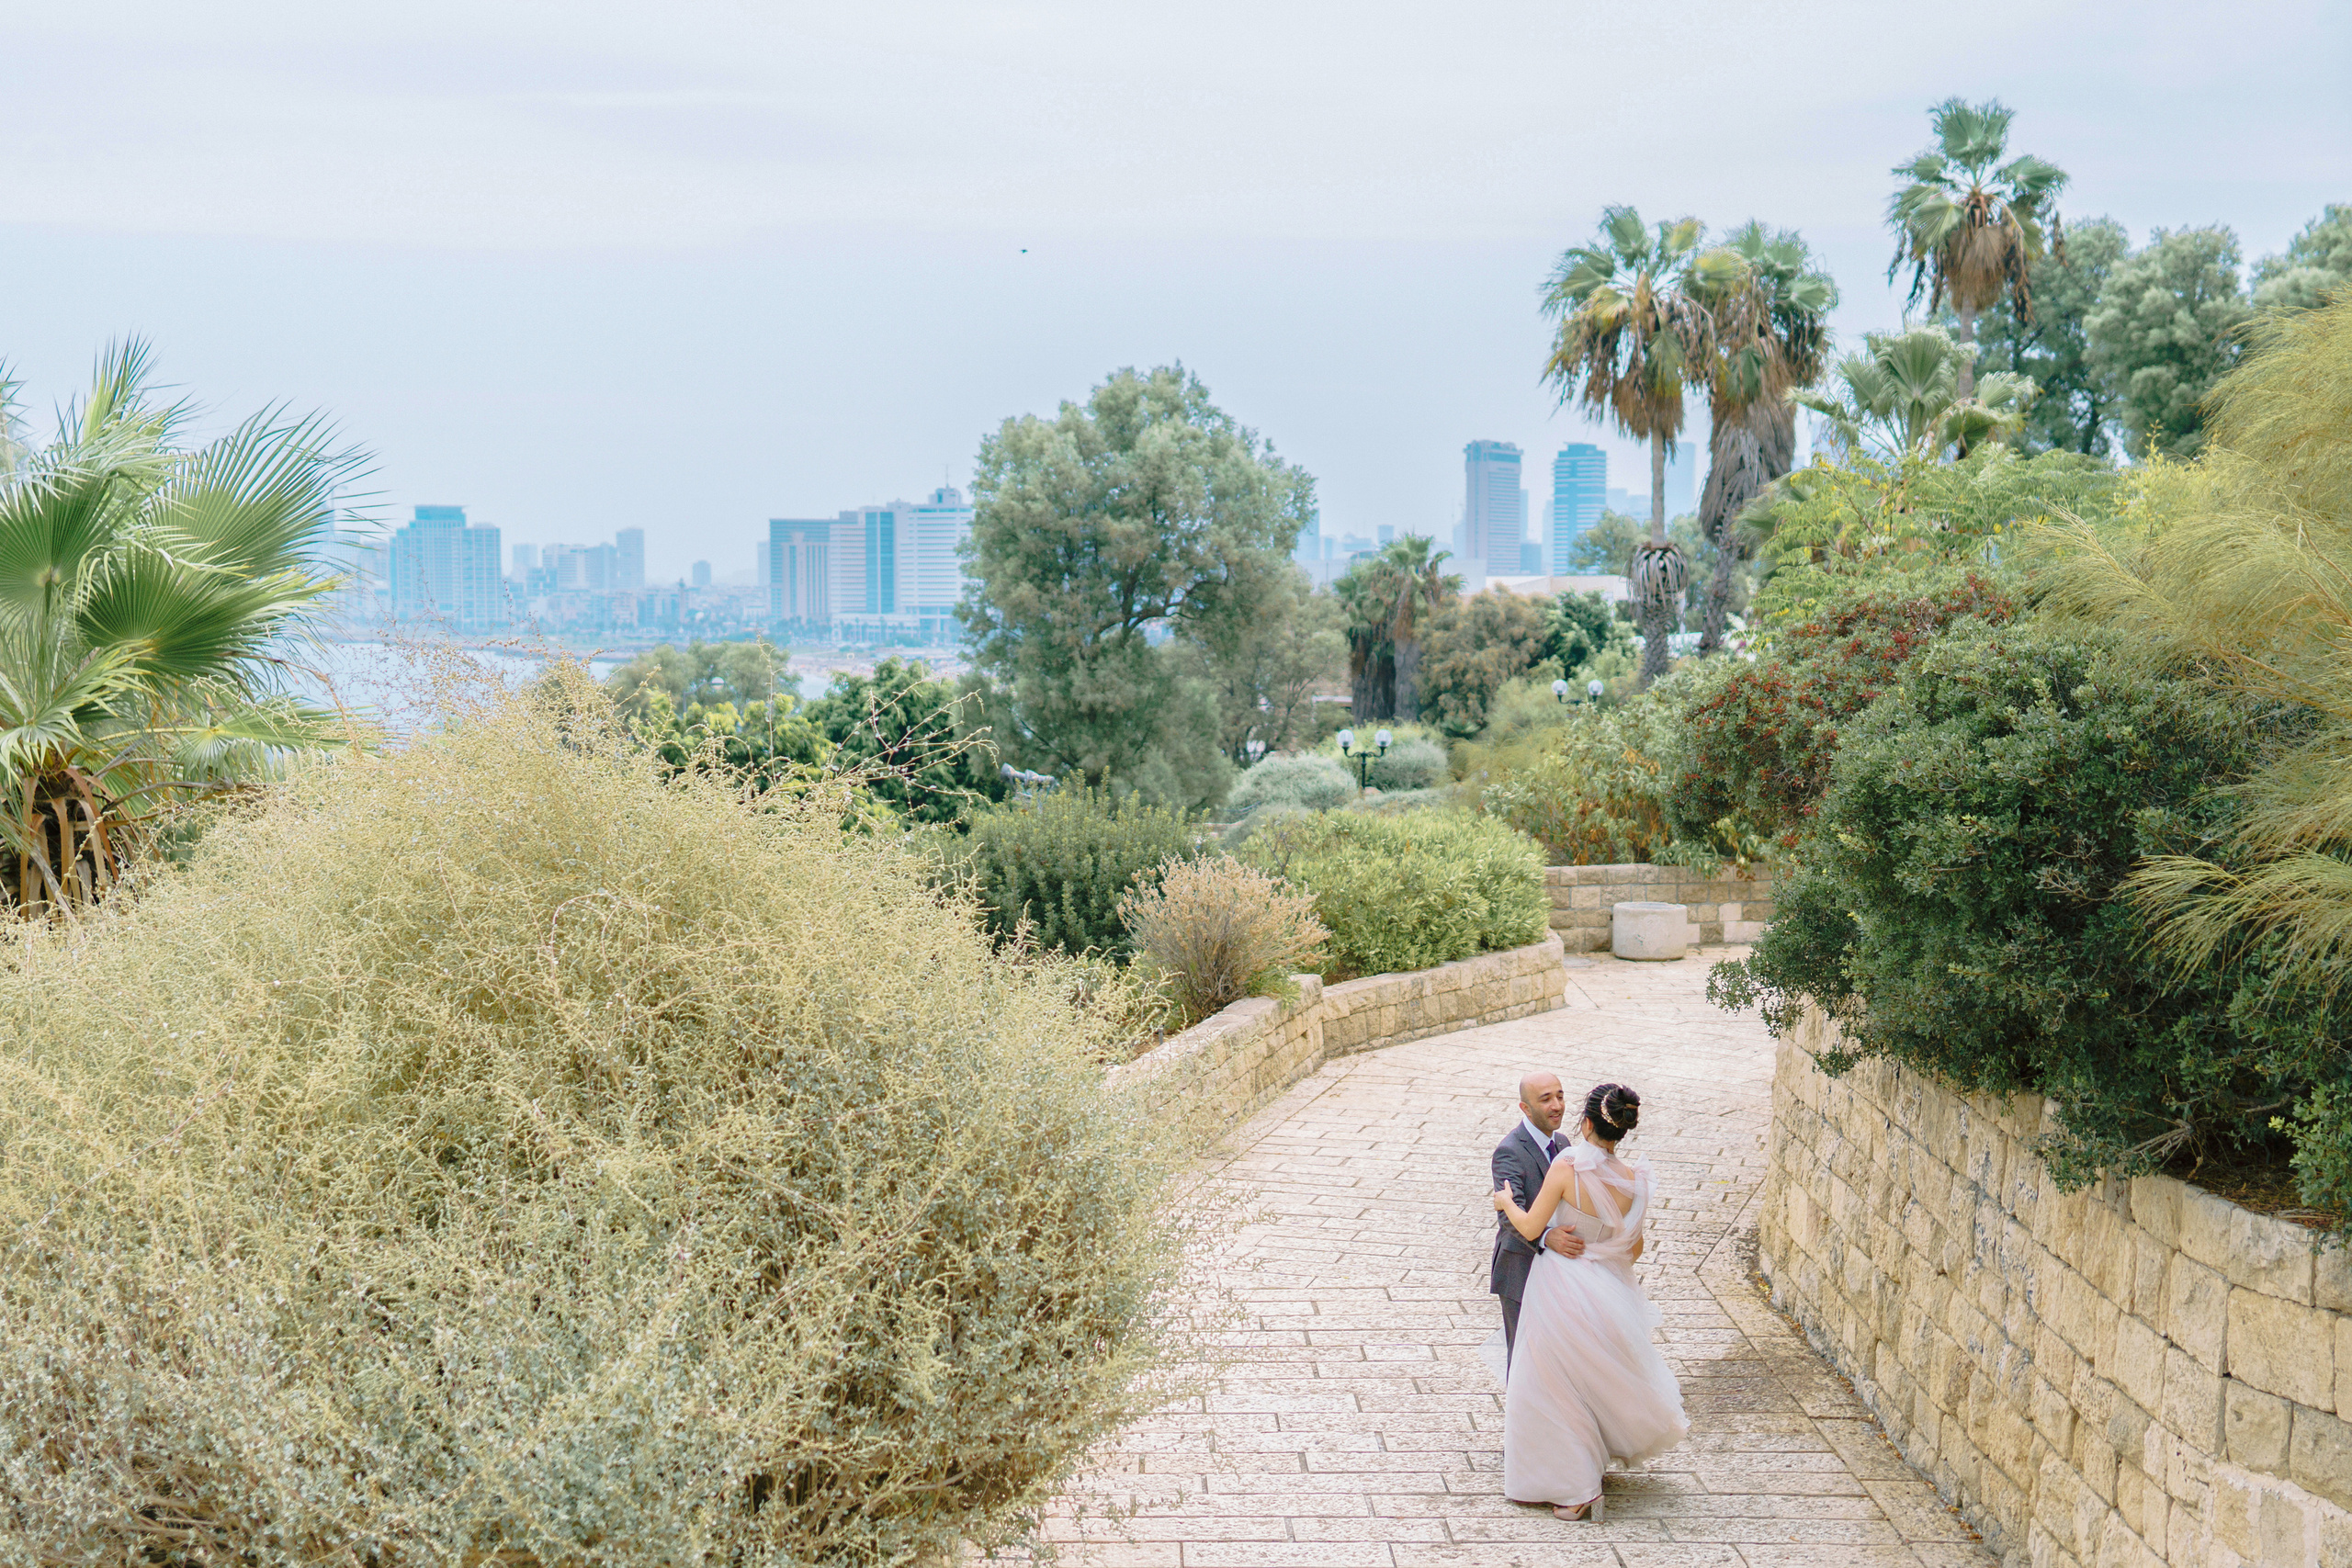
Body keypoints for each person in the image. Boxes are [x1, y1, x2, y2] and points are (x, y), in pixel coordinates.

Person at [1491, 1081, 1688, 1523]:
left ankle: (1576, 1489)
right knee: (1589, 1378)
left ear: (1585, 1122)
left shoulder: (1568, 1164)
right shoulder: (1636, 1180)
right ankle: (1587, 1469)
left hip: (1560, 1284)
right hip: (1606, 1287)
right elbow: (1634, 1250)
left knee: (1553, 1382)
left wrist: (1506, 1200)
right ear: (1623, 1129)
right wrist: (1599, 1246)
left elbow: (1529, 1226)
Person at [1488, 1072, 1586, 1361]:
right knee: (1524, 1358)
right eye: (1546, 1099)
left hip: (1558, 1271)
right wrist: (1545, 1237)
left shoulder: (1564, 1142)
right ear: (1525, 1109)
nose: (1557, 1105)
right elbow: (1508, 1215)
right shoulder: (1509, 1151)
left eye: (1560, 1095)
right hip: (1521, 1270)